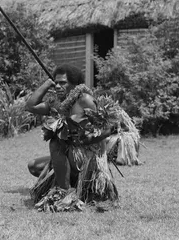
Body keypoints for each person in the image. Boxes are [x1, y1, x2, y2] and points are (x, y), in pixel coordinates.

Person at [26, 64, 120, 212]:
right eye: (56, 82)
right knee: (34, 166)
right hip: (67, 155)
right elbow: (30, 106)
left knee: (56, 142)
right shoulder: (56, 102)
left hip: (88, 157)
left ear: (75, 84)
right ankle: (70, 187)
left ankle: (64, 193)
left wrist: (84, 139)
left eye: (63, 82)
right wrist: (46, 84)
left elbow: (107, 129)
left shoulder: (85, 100)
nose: (58, 86)